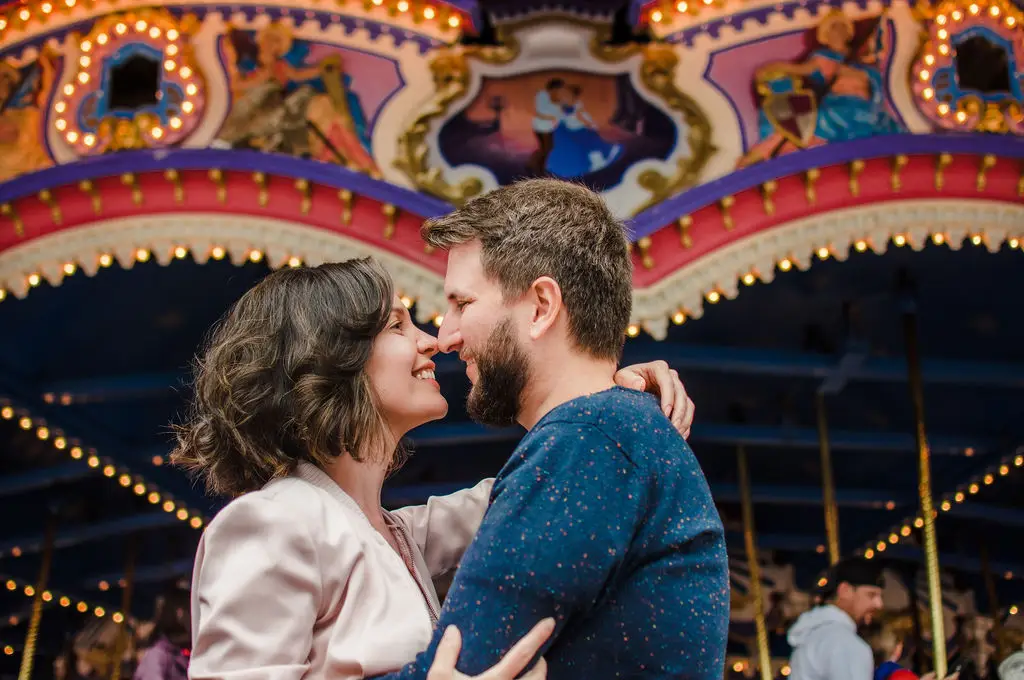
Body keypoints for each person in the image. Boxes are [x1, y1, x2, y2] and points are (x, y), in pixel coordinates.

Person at [175, 258, 696, 680]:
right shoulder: (273, 521)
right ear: (330, 359)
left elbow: (538, 485)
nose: (432, 340)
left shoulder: (396, 533)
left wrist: (606, 395)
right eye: (397, 326)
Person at [372, 178, 729, 679]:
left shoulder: (587, 438)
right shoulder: (609, 432)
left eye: (462, 304)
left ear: (542, 306)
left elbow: (461, 662)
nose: (445, 336)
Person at [789, 558, 885, 680]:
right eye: (871, 595)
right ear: (844, 590)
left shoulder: (812, 633)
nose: (879, 604)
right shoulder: (845, 643)